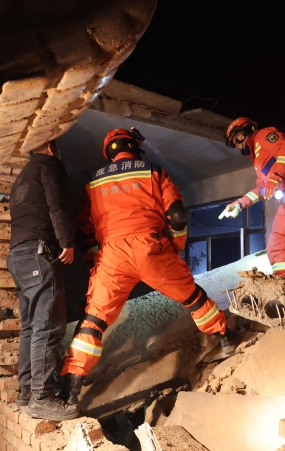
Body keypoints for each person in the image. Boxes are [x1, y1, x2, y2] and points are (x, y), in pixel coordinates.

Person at [60, 128, 231, 406]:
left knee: (94, 322)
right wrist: (174, 248)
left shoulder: (92, 183)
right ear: (135, 147)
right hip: (151, 247)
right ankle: (225, 340)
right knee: (193, 297)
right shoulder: (153, 171)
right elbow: (176, 215)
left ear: (110, 152)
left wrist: (96, 262)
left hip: (112, 255)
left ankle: (70, 389)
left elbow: (86, 231)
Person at [6, 139, 78, 421]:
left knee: (31, 327)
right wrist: (67, 242)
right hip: (39, 254)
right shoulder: (48, 165)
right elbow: (57, 205)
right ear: (49, 146)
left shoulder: (22, 176)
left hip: (17, 257)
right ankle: (42, 398)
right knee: (48, 327)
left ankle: (26, 393)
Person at [219, 119, 285, 281]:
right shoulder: (258, 159)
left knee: (276, 247)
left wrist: (275, 178)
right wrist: (239, 204)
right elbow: (260, 189)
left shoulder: (263, 136)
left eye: (235, 140)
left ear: (245, 132)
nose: (237, 147)